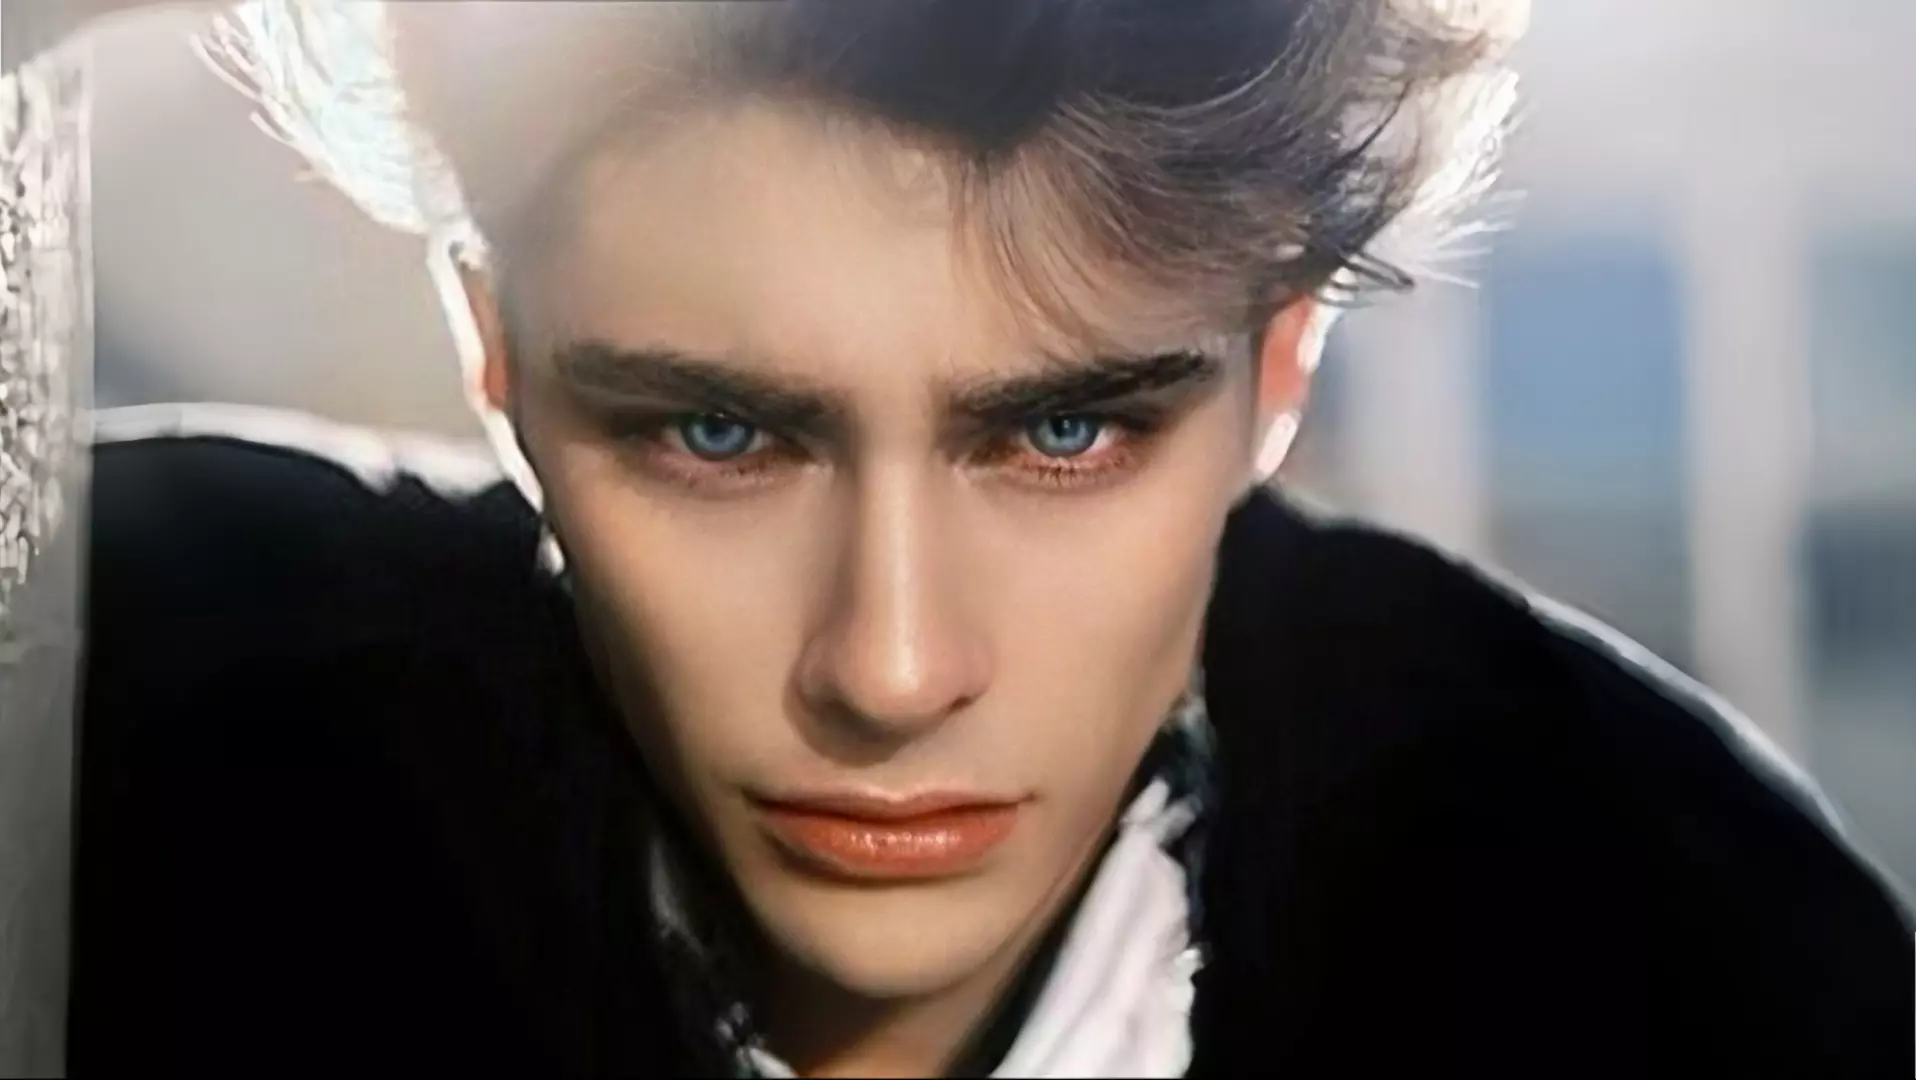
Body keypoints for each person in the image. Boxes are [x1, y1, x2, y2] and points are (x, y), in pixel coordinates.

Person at [58, 1, 1912, 1076]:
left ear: (1282, 364)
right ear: (498, 356)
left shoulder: (1694, 960)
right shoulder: (109, 733)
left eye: (1063, 432)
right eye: (718, 433)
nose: (890, 668)